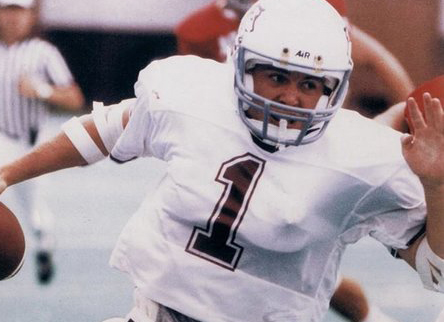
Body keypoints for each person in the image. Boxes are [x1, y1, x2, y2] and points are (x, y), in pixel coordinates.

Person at [0, 1, 443, 321]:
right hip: (157, 311)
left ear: (336, 89)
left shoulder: (364, 156)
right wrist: (4, 172)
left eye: (310, 84)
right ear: (241, 64)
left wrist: (438, 189)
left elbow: (435, 269)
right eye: (275, 76)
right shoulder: (192, 93)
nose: (291, 97)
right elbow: (105, 130)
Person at [175, 1, 409, 321]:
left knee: (288, 266)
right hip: (239, 147)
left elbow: (379, 59)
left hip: (307, 148)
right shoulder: (201, 29)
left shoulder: (307, 22)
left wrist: (410, 112)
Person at [0, 0, 84, 293]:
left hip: (28, 143)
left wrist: (42, 89)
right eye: (8, 10)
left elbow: (74, 97)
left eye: (19, 10)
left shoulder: (44, 53)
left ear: (30, 15)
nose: (13, 17)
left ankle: (44, 244)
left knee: (35, 210)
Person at [174, 0, 414, 119]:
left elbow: (378, 58)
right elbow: (196, 91)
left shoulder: (309, 10)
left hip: (310, 126)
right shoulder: (199, 30)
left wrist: (413, 121)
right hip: (239, 126)